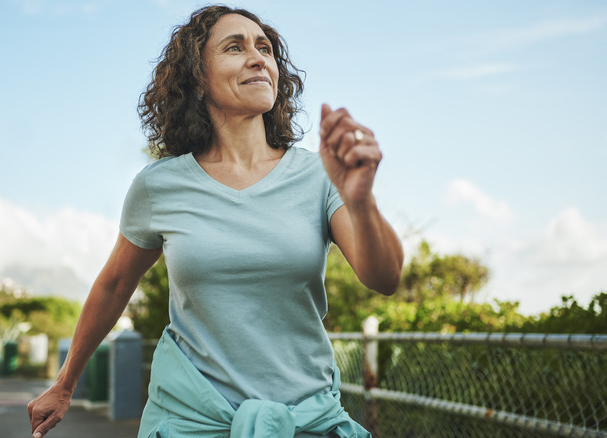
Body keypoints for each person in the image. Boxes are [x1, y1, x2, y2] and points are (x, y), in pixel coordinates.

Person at [28, 5, 403, 438]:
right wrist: (64, 384)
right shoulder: (159, 185)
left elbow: (384, 277)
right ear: (199, 77)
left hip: (304, 421)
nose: (258, 57)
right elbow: (114, 285)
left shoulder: (320, 174)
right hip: (190, 422)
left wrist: (362, 202)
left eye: (264, 48)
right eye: (234, 47)